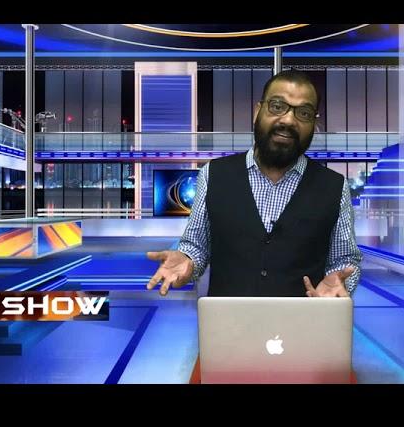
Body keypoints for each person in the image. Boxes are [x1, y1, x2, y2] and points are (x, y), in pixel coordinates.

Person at [147, 70, 362, 298]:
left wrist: (340, 282)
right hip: (227, 319)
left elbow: (345, 260)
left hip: (303, 320)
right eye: (277, 106)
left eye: (304, 113)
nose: (289, 120)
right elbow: (196, 246)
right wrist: (187, 259)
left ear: (314, 124)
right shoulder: (214, 174)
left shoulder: (334, 187)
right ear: (257, 111)